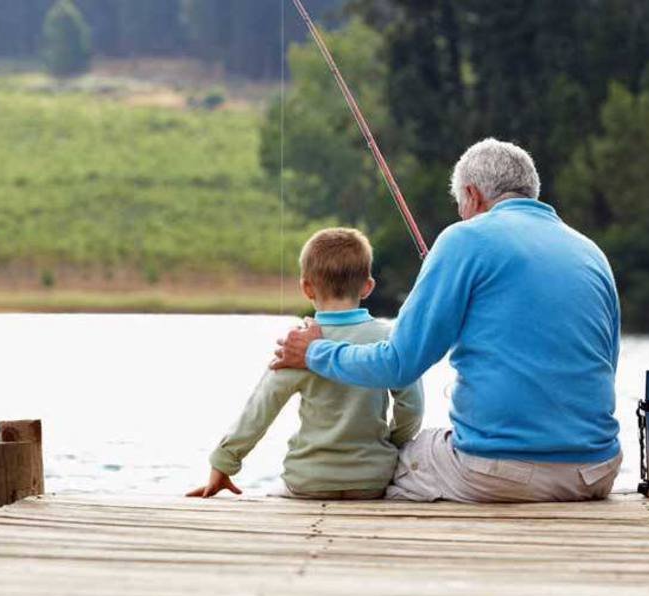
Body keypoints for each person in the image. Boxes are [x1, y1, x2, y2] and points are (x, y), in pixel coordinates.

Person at [272, 138, 622, 503]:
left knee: (394, 463)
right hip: (596, 471)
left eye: (460, 207)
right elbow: (605, 366)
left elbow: (397, 364)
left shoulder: (464, 239)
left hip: (501, 473)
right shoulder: (591, 252)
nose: (461, 216)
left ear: (472, 195)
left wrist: (315, 353)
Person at [188, 228, 424, 500]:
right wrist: (389, 447)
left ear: (306, 287)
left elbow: (261, 408)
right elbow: (412, 407)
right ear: (368, 286)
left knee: (271, 498)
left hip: (309, 480)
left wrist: (224, 463)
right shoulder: (388, 338)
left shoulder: (298, 343)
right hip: (373, 480)